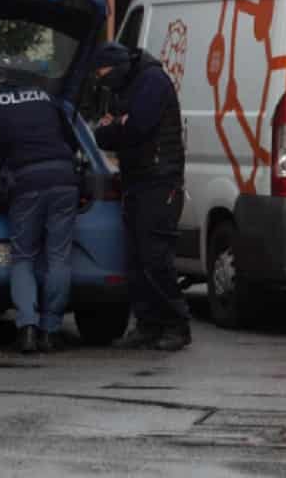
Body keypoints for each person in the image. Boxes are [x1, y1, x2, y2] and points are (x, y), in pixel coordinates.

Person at [0, 74, 81, 354]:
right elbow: (73, 143)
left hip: (25, 182)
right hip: (64, 179)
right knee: (58, 256)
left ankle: (27, 328)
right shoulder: (48, 99)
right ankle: (50, 331)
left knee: (23, 257)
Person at [91, 41, 190, 352]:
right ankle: (148, 325)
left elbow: (136, 128)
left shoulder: (151, 82)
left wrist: (118, 125)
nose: (104, 83)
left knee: (155, 257)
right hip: (139, 180)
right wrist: (117, 125)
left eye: (105, 75)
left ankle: (176, 325)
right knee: (137, 259)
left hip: (160, 181)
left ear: (118, 67)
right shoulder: (131, 84)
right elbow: (108, 130)